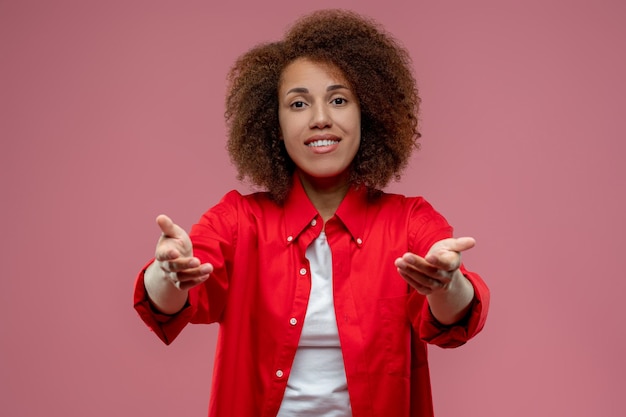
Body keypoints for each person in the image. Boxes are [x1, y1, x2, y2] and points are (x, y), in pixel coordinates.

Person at [133, 8, 489, 417]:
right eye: (299, 103)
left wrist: (447, 284)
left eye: (338, 100)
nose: (320, 119)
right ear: (274, 122)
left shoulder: (410, 221)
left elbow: (455, 317)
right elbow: (171, 300)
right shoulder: (236, 220)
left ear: (367, 112)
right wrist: (167, 273)